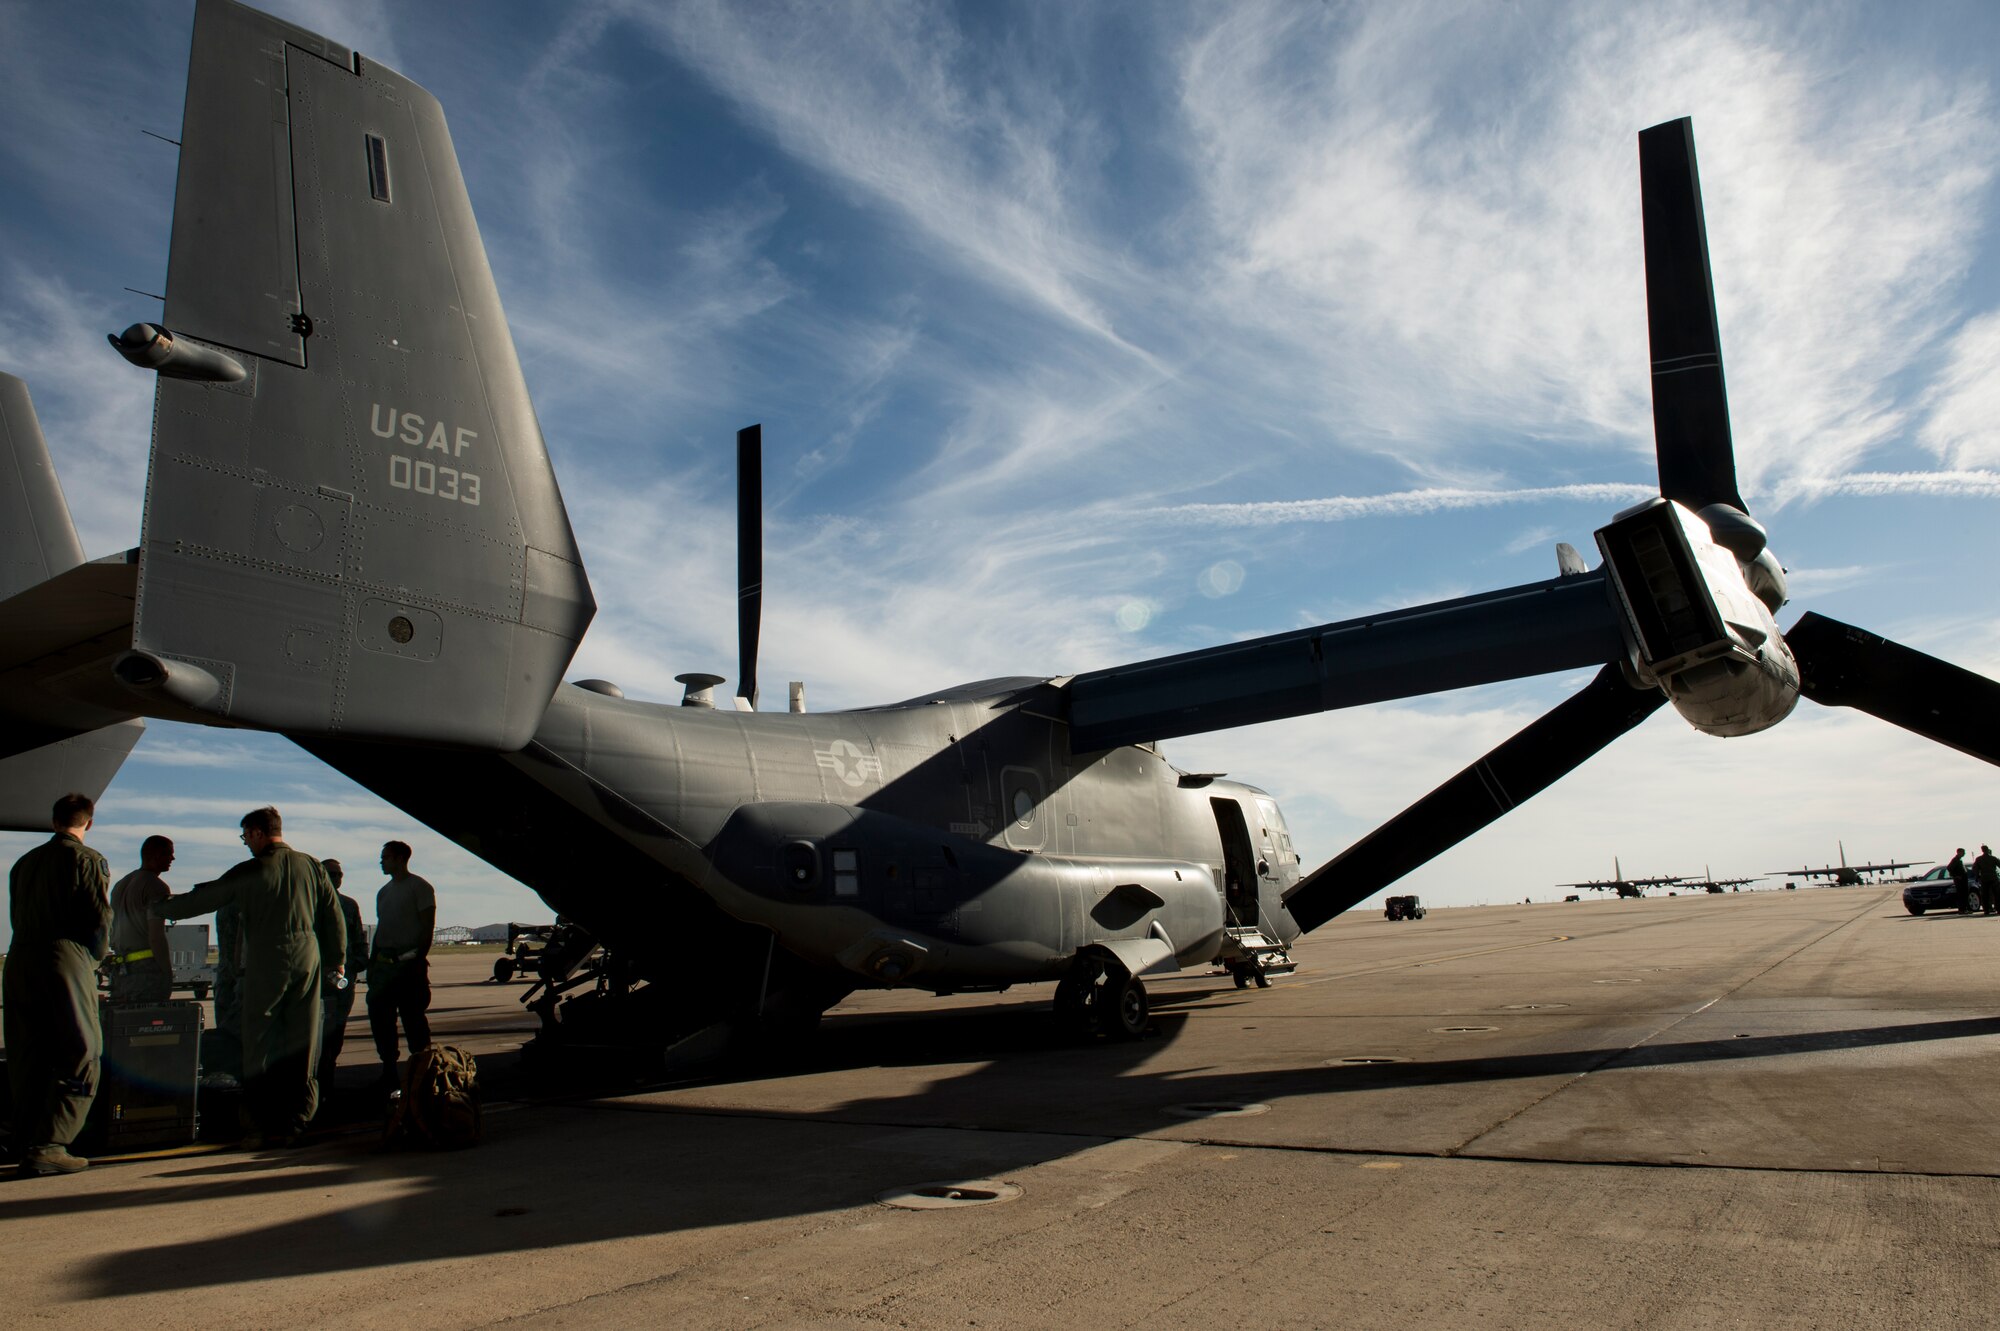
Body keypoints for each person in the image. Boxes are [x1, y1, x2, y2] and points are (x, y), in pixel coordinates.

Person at [155, 806, 345, 1145]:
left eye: (246, 836)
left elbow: (207, 897)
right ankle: (298, 1121)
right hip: (307, 958)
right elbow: (333, 916)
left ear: (258, 833)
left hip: (268, 958)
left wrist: (161, 909)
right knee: (302, 1041)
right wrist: (337, 960)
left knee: (259, 1042)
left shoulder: (251, 869)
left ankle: (259, 1124)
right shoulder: (312, 866)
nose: (245, 843)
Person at [5, 793, 111, 1176]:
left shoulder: (23, 863)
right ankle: (51, 1144)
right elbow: (99, 920)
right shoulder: (87, 859)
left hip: (19, 959)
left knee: (28, 1054)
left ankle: (27, 1141)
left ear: (54, 822)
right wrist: (92, 960)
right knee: (83, 1050)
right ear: (89, 822)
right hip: (64, 957)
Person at [368, 840, 435, 1087]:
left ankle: (423, 1073)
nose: (381, 861)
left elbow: (427, 928)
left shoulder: (420, 888)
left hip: (408, 968)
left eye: (385, 857)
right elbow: (382, 930)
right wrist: (373, 963)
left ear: (399, 858)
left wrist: (416, 961)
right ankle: (389, 1071)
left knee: (414, 1021)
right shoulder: (383, 892)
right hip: (385, 967)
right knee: (381, 1020)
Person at [315, 859, 369, 1092]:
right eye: (331, 873)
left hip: (341, 980)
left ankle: (327, 1074)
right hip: (315, 979)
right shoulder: (311, 904)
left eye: (339, 874)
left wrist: (356, 965)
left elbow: (358, 937)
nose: (336, 878)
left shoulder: (348, 905)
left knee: (337, 1029)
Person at [106, 835, 176, 1004]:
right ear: (156, 855)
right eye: (169, 854)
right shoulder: (156, 886)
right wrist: (167, 973)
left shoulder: (121, 884)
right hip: (145, 972)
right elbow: (156, 936)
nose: (172, 858)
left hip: (121, 970)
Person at [1975, 845, 2000, 917]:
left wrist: (1977, 876)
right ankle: (1998, 909)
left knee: (1985, 895)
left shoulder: (1979, 859)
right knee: (1997, 894)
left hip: (1984, 878)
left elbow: (1975, 868)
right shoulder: (1993, 858)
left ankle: (1986, 910)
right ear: (1988, 850)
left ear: (1982, 850)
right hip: (1993, 878)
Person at [1948, 848, 1971, 914]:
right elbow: (1949, 868)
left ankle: (1965, 909)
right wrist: (1956, 876)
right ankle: (1962, 909)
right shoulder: (1955, 860)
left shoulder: (1959, 860)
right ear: (1959, 852)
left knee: (1964, 894)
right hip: (1960, 880)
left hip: (1963, 879)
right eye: (1963, 852)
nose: (1964, 853)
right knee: (1961, 895)